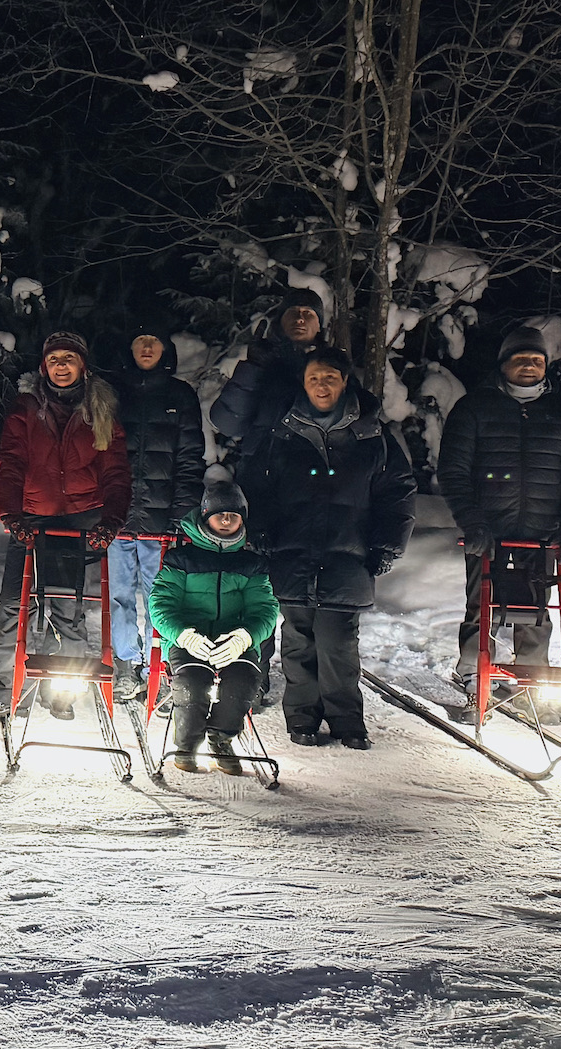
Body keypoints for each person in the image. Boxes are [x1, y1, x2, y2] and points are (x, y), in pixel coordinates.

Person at [239, 351, 416, 749]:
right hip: (290, 553)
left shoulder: (373, 437)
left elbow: (398, 493)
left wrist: (387, 545)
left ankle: (347, 721)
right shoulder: (282, 434)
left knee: (338, 643)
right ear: (303, 383)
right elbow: (256, 488)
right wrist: (260, 534)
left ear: (344, 382)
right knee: (298, 641)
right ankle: (301, 718)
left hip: (348, 555)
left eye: (330, 377)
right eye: (314, 377)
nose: (322, 385)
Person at [436, 326, 561, 700]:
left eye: (536, 360)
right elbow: (454, 470)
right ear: (504, 364)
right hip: (487, 530)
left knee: (537, 607)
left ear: (546, 367)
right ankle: (475, 670)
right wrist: (471, 520)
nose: (528, 365)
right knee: (481, 602)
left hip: (542, 531)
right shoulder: (474, 407)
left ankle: (533, 675)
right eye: (520, 358)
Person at [0, 330, 131, 720]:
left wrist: (111, 519)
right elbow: (10, 463)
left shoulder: (100, 409)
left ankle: (62, 689)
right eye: (54, 360)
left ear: (83, 365)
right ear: (43, 366)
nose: (61, 366)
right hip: (32, 518)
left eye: (69, 359)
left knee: (67, 606)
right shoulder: (26, 408)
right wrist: (10, 513)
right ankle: (8, 689)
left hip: (81, 518)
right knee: (16, 605)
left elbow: (115, 470)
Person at [146, 482, 278, 774]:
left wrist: (245, 637)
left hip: (234, 640)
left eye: (234, 515)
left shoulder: (252, 564)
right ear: (206, 517)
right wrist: (183, 635)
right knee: (193, 684)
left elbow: (265, 609)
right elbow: (161, 604)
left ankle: (222, 738)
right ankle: (187, 744)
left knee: (243, 680)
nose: (227, 520)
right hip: (190, 639)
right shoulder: (181, 559)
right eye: (220, 515)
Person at [109, 326, 206, 702]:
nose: (147, 347)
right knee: (119, 595)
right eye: (139, 340)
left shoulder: (180, 395)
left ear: (165, 348)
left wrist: (183, 513)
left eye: (154, 340)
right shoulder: (112, 393)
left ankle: (160, 666)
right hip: (119, 516)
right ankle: (125, 664)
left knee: (159, 596)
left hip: (162, 518)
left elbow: (189, 457)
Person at [210, 288, 350, 458]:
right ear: (280, 321)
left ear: (319, 326)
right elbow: (228, 424)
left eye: (308, 313)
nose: (300, 319)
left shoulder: (333, 369)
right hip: (263, 470)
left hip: (315, 470)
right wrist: (253, 367)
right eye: (293, 312)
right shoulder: (265, 363)